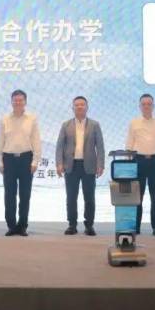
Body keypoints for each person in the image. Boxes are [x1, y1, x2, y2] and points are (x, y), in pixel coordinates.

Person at [55, 96, 105, 236]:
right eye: (76, 105)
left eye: (82, 104)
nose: (79, 107)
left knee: (89, 197)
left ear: (87, 107)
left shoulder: (94, 125)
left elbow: (100, 146)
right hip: (71, 165)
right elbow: (60, 146)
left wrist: (100, 164)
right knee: (71, 197)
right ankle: (72, 225)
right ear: (73, 108)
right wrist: (59, 163)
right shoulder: (66, 125)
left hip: (89, 165)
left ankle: (89, 225)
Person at [0, 89, 41, 236]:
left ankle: (22, 226)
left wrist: (35, 161)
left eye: (21, 100)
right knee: (9, 195)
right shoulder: (4, 119)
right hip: (8, 159)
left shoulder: (32, 119)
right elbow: (0, 141)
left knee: (25, 195)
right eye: (15, 100)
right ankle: (11, 226)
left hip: (26, 159)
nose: (18, 102)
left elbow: (36, 141)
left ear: (25, 102)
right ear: (11, 102)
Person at [125, 93, 155, 237]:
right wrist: (128, 164)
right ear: (140, 106)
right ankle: (135, 227)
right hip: (138, 161)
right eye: (143, 104)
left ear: (153, 106)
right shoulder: (134, 123)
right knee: (137, 196)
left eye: (149, 104)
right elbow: (129, 144)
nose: (146, 106)